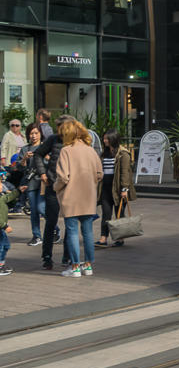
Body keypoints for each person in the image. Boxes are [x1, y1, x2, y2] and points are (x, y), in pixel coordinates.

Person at [53, 118, 103, 277]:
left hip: (71, 197)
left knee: (72, 232)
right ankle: (88, 265)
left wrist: (55, 187)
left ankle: (75, 267)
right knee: (88, 232)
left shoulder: (66, 151)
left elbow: (63, 177)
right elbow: (100, 173)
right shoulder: (90, 150)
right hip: (88, 197)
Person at [32, 114, 70, 270]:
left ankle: (67, 256)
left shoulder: (75, 141)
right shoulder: (53, 139)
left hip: (69, 187)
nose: (59, 129)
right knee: (51, 222)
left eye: (62, 126)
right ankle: (47, 256)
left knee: (71, 223)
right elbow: (38, 154)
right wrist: (42, 173)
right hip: (53, 186)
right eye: (58, 126)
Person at [96, 130, 136, 248]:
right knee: (106, 214)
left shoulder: (123, 153)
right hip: (105, 188)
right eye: (104, 139)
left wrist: (124, 189)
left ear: (113, 139)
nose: (104, 141)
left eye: (107, 139)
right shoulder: (104, 153)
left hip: (118, 189)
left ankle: (120, 238)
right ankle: (103, 239)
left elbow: (125, 173)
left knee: (119, 213)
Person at [20, 123, 44, 246]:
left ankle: (55, 229)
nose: (34, 136)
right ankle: (37, 236)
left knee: (42, 208)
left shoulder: (45, 146)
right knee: (34, 210)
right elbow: (21, 167)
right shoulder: (25, 149)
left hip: (43, 182)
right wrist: (24, 158)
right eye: (31, 133)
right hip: (30, 182)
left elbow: (50, 162)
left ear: (40, 134)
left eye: (36, 133)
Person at [0, 170, 24, 276]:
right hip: (1, 227)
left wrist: (16, 193)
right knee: (2, 246)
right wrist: (5, 226)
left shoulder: (2, 197)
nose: (2, 185)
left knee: (5, 246)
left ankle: (1, 265)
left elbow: (9, 201)